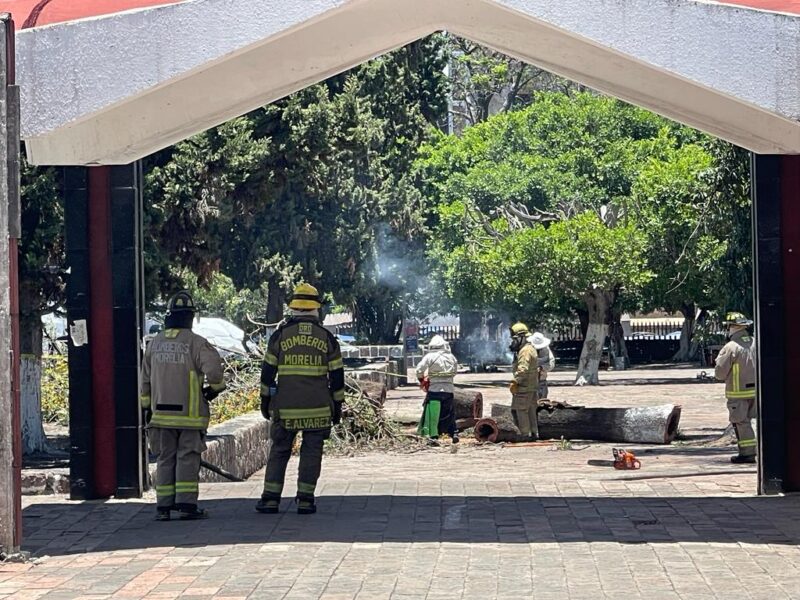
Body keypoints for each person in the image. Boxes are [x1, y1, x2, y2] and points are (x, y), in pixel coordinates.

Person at [255, 283, 345, 515]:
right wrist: (337, 405)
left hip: (285, 409)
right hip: (317, 409)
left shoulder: (280, 336)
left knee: (280, 450)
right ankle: (305, 499)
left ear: (293, 308)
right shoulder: (327, 338)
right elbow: (337, 376)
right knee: (311, 451)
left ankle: (270, 499)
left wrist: (265, 401)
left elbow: (267, 373)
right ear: (316, 309)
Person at [140, 290, 226, 521]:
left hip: (160, 416)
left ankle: (163, 508)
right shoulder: (196, 343)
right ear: (190, 317)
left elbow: (144, 381)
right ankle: (186, 505)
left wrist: (147, 409)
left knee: (165, 458)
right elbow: (215, 372)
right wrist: (214, 390)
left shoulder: (154, 343)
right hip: (189, 416)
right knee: (187, 457)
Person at [714, 312, 757, 464]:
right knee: (755, 422)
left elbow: (720, 372)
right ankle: (759, 451)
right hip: (757, 392)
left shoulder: (731, 347)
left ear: (732, 327)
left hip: (738, 394)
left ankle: (747, 453)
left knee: (741, 422)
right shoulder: (755, 342)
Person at [416, 335, 459, 445]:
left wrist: (422, 380)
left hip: (434, 390)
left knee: (432, 415)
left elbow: (419, 370)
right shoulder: (451, 357)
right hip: (449, 390)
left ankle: (433, 436)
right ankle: (454, 433)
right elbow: (454, 371)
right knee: (450, 414)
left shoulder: (429, 356)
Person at [509, 322, 539, 440]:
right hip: (531, 386)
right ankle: (534, 433)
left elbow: (522, 369)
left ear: (522, 337)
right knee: (531, 410)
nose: (513, 342)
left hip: (524, 387)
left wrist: (515, 381)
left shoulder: (525, 351)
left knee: (521, 410)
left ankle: (525, 434)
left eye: (515, 339)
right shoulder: (530, 348)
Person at [530, 332, 555, 399]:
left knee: (542, 402)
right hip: (529, 382)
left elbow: (551, 363)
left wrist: (542, 368)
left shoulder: (546, 350)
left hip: (542, 381)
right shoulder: (527, 350)